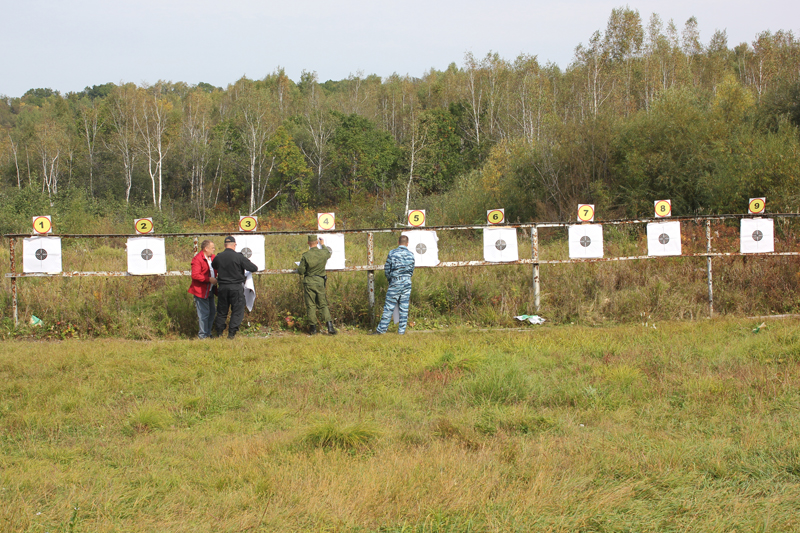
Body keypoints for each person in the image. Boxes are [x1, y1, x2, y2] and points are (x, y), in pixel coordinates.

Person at [211, 236, 258, 339]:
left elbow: (214, 266)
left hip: (222, 287)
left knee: (222, 311)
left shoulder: (218, 257)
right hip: (236, 287)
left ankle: (219, 333)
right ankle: (231, 334)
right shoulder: (239, 257)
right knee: (237, 310)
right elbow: (253, 268)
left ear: (224, 245)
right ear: (234, 245)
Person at [371, 234, 415, 335]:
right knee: (404, 307)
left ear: (398, 242)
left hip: (395, 281)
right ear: (407, 244)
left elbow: (387, 268)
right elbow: (412, 269)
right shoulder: (411, 254)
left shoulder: (392, 253)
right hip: (407, 281)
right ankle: (401, 331)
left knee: (389, 306)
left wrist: (390, 279)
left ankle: (381, 330)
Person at [298, 235, 336, 335]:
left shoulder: (306, 255)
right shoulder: (323, 253)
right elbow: (328, 253)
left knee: (311, 305)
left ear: (308, 243)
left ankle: (313, 329)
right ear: (317, 242)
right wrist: (323, 245)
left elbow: (301, 271)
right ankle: (330, 326)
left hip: (309, 282)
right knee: (323, 304)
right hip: (320, 281)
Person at [188, 240, 217, 339]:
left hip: (210, 290)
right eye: (212, 247)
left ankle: (208, 333)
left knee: (212, 312)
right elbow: (195, 275)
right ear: (206, 248)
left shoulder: (213, 258)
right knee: (204, 314)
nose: (214, 249)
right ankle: (202, 335)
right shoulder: (197, 259)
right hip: (200, 291)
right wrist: (208, 279)